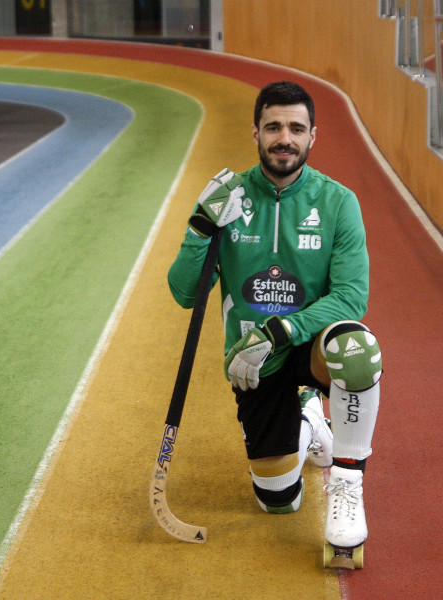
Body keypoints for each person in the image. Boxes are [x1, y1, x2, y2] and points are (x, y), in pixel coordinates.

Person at [167, 81, 382, 555]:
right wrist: (201, 227)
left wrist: (283, 328)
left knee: (357, 348)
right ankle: (308, 419)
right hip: (253, 362)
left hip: (310, 344)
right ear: (256, 132)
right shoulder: (228, 198)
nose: (285, 137)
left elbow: (352, 297)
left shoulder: (338, 201)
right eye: (274, 127)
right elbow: (185, 293)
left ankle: (348, 486)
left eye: (296, 128)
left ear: (312, 136)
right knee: (278, 501)